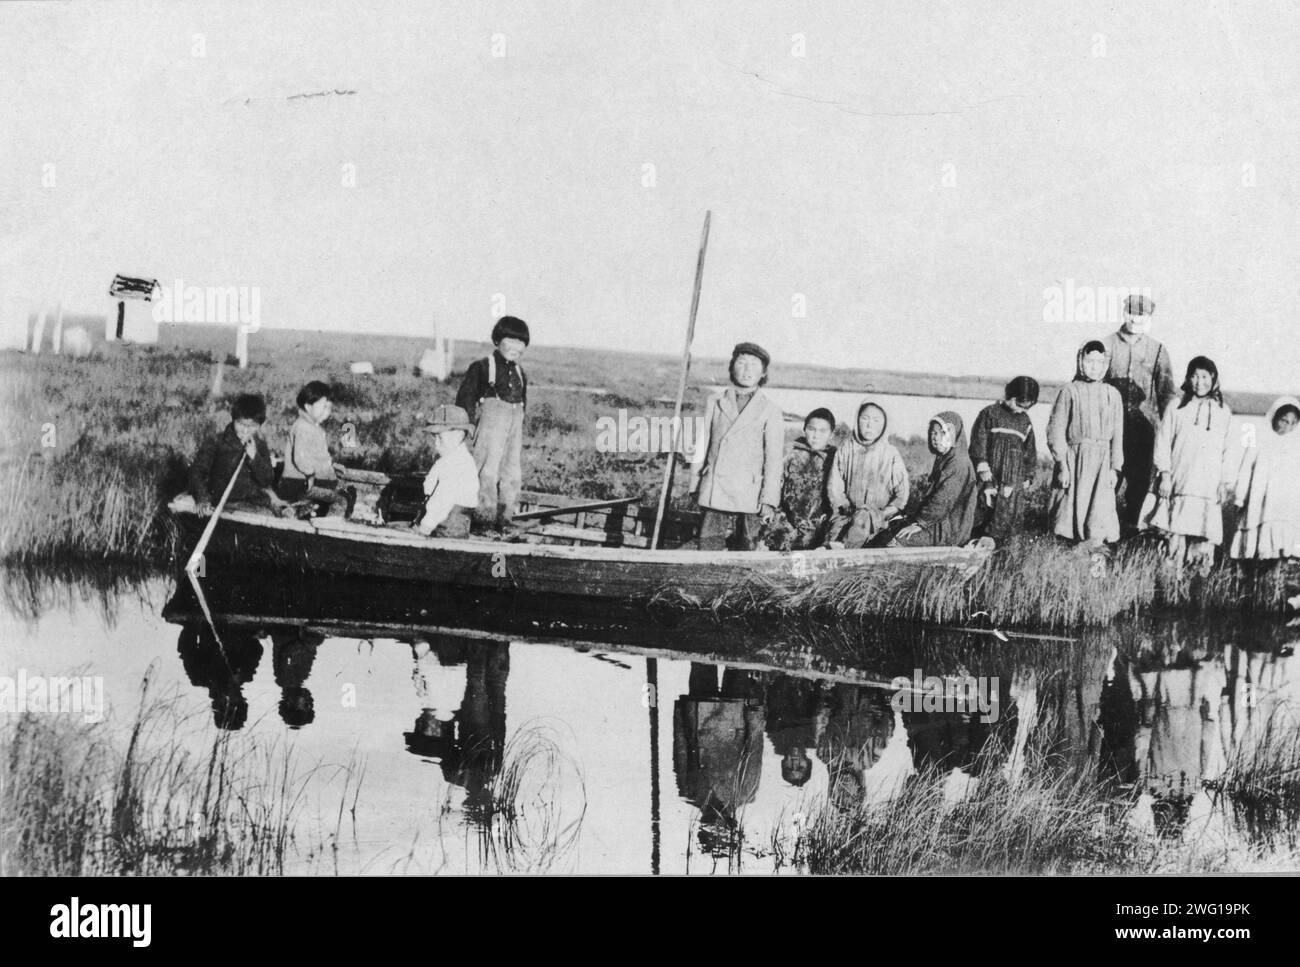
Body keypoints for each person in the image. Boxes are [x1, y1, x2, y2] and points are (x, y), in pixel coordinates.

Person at [690, 342, 784, 550]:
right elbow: (702, 445)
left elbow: (774, 460)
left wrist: (769, 499)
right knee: (708, 543)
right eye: (741, 363)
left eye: (754, 364)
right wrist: (695, 484)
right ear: (732, 367)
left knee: (747, 545)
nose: (747, 369)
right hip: (716, 484)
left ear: (763, 372)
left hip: (749, 490)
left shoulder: (770, 410)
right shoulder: (715, 401)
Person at [1150, 356, 1235, 564]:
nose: (1200, 382)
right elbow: (1162, 443)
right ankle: (1169, 584)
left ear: (1213, 378)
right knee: (1173, 540)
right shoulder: (1176, 407)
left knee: (1202, 542)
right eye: (1194, 376)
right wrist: (1166, 475)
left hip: (1208, 490)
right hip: (1179, 484)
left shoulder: (1223, 412)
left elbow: (1229, 452)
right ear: (1188, 379)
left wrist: (1225, 483)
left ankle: (1196, 589)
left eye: (1205, 376)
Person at [1104, 294, 1177, 533]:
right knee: (1106, 485)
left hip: (1143, 432)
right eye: (1132, 312)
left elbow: (1166, 394)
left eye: (1142, 314)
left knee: (1139, 488)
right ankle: (1103, 536)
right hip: (1111, 430)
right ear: (1124, 312)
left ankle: (1131, 537)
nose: (1136, 318)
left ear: (1148, 318)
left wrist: (1170, 434)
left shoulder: (1157, 350)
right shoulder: (1106, 345)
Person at [456, 315, 530, 531]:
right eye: (511, 340)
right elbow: (465, 398)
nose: (516, 346)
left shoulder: (520, 373)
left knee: (512, 472)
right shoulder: (482, 367)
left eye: (521, 342)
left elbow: (523, 402)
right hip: (491, 426)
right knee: (487, 470)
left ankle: (505, 518)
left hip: (514, 426)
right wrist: (465, 426)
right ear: (497, 340)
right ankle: (483, 519)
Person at [1047, 341, 1126, 544]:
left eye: (1100, 362)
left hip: (1102, 461)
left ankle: (1095, 555)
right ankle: (1066, 552)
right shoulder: (1069, 391)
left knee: (1099, 512)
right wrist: (1062, 465)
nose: (1095, 367)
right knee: (1068, 509)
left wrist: (1114, 469)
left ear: (1106, 365)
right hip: (1074, 460)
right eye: (1090, 361)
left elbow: (1118, 436)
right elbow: (1056, 431)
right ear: (1081, 362)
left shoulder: (1113, 395)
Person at [189, 392, 291, 517]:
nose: (246, 430)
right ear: (233, 419)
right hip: (226, 502)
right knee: (266, 515)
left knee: (281, 513)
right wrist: (202, 499)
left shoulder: (260, 445)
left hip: (255, 501)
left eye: (252, 426)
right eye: (241, 424)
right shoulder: (217, 442)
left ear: (259, 425)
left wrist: (254, 457)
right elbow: (197, 472)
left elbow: (267, 480)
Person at [824, 401, 909, 548]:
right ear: (857, 420)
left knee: (862, 520)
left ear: (884, 424)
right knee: (834, 532)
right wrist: (843, 506)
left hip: (878, 517)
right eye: (865, 419)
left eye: (876, 420)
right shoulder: (845, 449)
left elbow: (902, 495)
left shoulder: (890, 453)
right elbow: (835, 487)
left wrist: (883, 513)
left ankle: (844, 549)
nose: (869, 425)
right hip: (846, 513)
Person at [890, 411, 978, 547]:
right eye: (933, 432)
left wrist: (921, 523)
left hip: (948, 530)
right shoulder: (945, 459)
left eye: (943, 433)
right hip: (938, 523)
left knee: (898, 541)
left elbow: (942, 500)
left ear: (955, 435)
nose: (936, 437)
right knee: (890, 530)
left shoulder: (958, 463)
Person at [969, 376, 1040, 544]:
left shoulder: (1025, 421)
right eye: (1018, 404)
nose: (1020, 410)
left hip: (1013, 478)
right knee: (984, 508)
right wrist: (981, 463)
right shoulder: (990, 414)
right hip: (990, 474)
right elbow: (978, 440)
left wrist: (1028, 476)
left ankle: (1002, 548)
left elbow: (1030, 451)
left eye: (1026, 408)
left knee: (1008, 513)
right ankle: (975, 544)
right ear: (1010, 396)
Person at [1230, 396, 1300, 560]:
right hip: (1261, 500)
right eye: (1284, 420)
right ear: (1274, 417)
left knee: (1281, 542)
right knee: (1260, 542)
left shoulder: (1295, 446)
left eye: (1293, 423)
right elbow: (1246, 468)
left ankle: (1281, 566)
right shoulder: (1260, 440)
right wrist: (1240, 497)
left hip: (1284, 505)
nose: (1287, 426)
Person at [278, 380, 354, 517]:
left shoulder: (312, 427)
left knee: (333, 496)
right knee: (341, 499)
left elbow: (316, 455)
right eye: (324, 407)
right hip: (299, 484)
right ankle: (326, 518)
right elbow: (300, 459)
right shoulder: (303, 427)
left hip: (304, 483)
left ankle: (303, 509)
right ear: (308, 406)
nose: (327, 412)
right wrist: (312, 474)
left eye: (329, 408)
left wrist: (329, 466)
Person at [764, 407, 837, 551]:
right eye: (812, 429)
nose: (816, 435)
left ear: (831, 434)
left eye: (822, 431)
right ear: (804, 429)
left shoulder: (835, 459)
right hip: (788, 522)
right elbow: (776, 485)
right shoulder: (791, 454)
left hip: (819, 525)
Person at [416, 404, 480, 539]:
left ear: (458, 436)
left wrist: (424, 528)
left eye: (440, 438)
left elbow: (442, 501)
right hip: (442, 521)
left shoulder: (457, 464)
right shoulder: (448, 459)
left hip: (447, 527)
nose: (436, 444)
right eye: (434, 438)